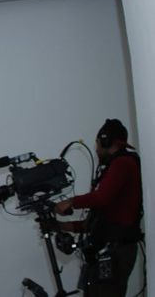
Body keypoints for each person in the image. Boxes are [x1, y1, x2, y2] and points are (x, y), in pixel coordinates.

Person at [53, 119, 143, 297]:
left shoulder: (122, 163)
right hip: (108, 249)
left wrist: (71, 202)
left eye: (97, 142)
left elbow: (101, 198)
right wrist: (58, 226)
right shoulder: (114, 167)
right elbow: (93, 223)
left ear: (106, 141)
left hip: (116, 251)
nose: (96, 148)